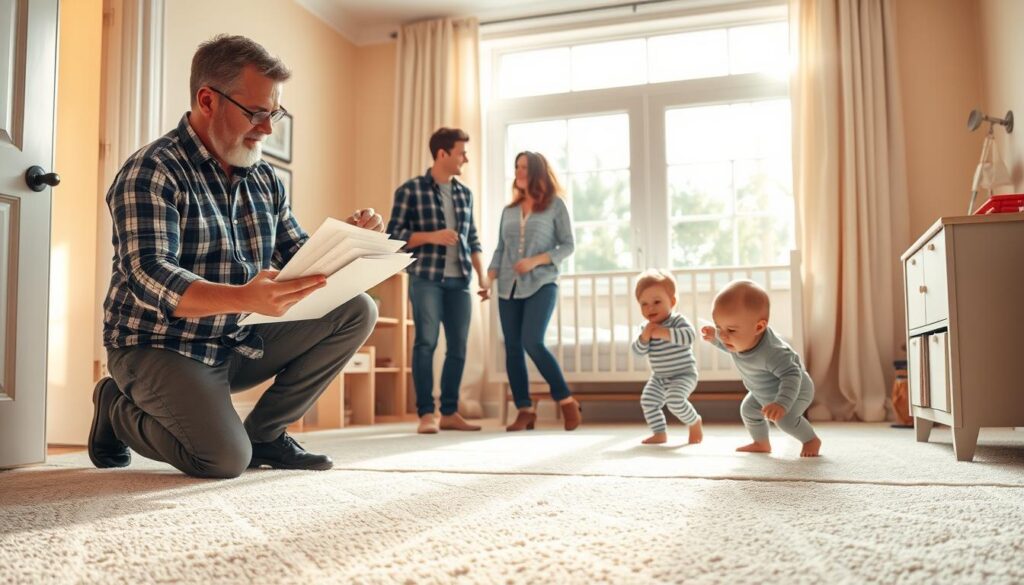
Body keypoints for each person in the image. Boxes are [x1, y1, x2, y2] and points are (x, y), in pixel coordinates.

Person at [88, 35, 384, 479]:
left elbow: (297, 258)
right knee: (223, 460)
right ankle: (115, 409)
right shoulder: (152, 169)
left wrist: (346, 244)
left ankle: (266, 434)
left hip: (234, 338)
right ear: (208, 99)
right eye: (257, 112)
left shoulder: (265, 179)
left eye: (274, 113)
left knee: (357, 309)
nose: (267, 128)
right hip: (157, 345)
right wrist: (245, 298)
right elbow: (149, 273)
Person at [387, 128, 489, 434]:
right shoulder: (410, 190)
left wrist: (482, 275)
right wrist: (433, 237)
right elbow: (393, 236)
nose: (465, 158)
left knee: (458, 346)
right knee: (426, 342)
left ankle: (449, 412)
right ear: (442, 154)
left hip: (460, 280)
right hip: (425, 278)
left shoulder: (464, 194)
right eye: (461, 152)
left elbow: (472, 238)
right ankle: (425, 414)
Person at [483, 151, 581, 432]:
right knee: (512, 347)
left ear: (538, 171)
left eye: (524, 167)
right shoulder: (509, 211)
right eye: (516, 167)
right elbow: (500, 250)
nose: (519, 172)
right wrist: (489, 279)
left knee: (532, 341)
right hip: (507, 287)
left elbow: (568, 245)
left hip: (542, 282)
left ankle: (566, 400)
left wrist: (536, 260)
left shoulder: (555, 206)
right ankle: (524, 410)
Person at [700, 279, 822, 457]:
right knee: (748, 410)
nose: (724, 336)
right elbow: (727, 347)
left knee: (785, 420)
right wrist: (714, 338)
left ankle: (810, 440)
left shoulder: (773, 352)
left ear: (758, 327)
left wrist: (782, 403)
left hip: (796, 391)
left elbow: (792, 375)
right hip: (763, 391)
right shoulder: (738, 340)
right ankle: (761, 443)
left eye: (731, 330)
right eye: (719, 327)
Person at [631, 270, 703, 445]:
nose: (650, 308)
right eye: (644, 304)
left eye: (657, 302)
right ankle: (659, 433)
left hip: (684, 374)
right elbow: (637, 351)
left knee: (674, 400)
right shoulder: (645, 328)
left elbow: (689, 337)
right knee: (648, 401)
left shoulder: (677, 321)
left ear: (672, 301)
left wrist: (664, 333)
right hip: (659, 377)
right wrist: (644, 337)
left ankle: (694, 422)